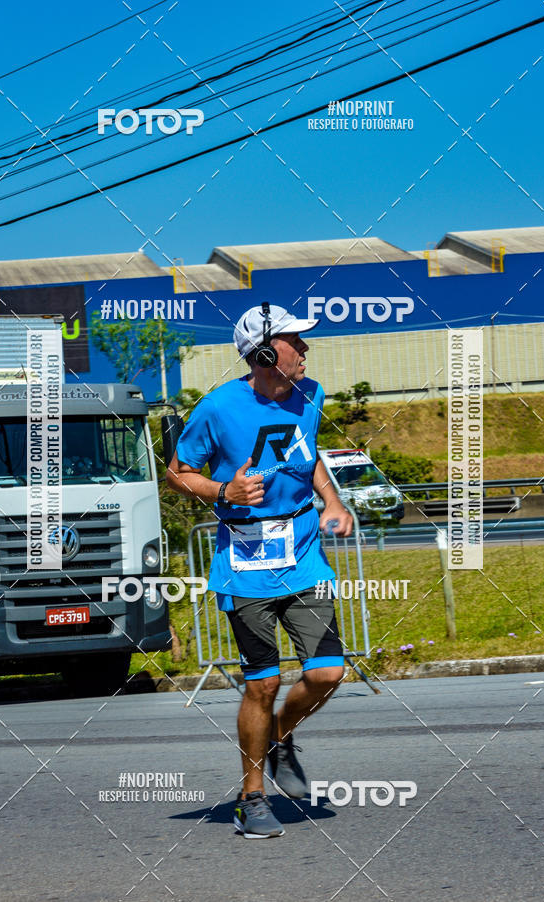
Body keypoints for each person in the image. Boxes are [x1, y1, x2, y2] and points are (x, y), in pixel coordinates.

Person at [166, 302, 353, 839]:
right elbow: (178, 474)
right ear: (268, 353)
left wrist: (332, 502)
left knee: (326, 673)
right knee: (263, 684)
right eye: (297, 340)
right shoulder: (218, 408)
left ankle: (278, 737)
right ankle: (252, 797)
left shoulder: (310, 393)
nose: (307, 349)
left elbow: (307, 453)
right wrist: (224, 490)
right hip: (246, 566)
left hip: (303, 556)